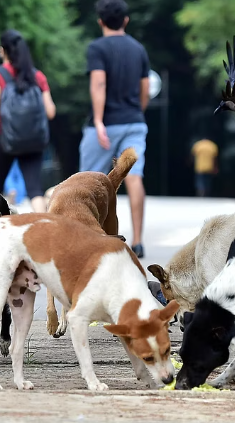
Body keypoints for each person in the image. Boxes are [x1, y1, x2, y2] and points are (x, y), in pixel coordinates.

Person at [79, 0, 150, 258]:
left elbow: (99, 84)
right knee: (134, 176)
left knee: (88, 179)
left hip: (105, 125)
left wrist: (98, 120)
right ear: (126, 20)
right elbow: (146, 88)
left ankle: (88, 237)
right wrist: (137, 112)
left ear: (100, 22)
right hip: (134, 121)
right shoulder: (139, 49)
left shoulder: (97, 48)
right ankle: (138, 241)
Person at [0, 29, 56, 213]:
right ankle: (46, 231)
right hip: (33, 141)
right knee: (35, 189)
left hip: (3, 138)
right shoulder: (37, 76)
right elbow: (51, 112)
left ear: (2, 50)